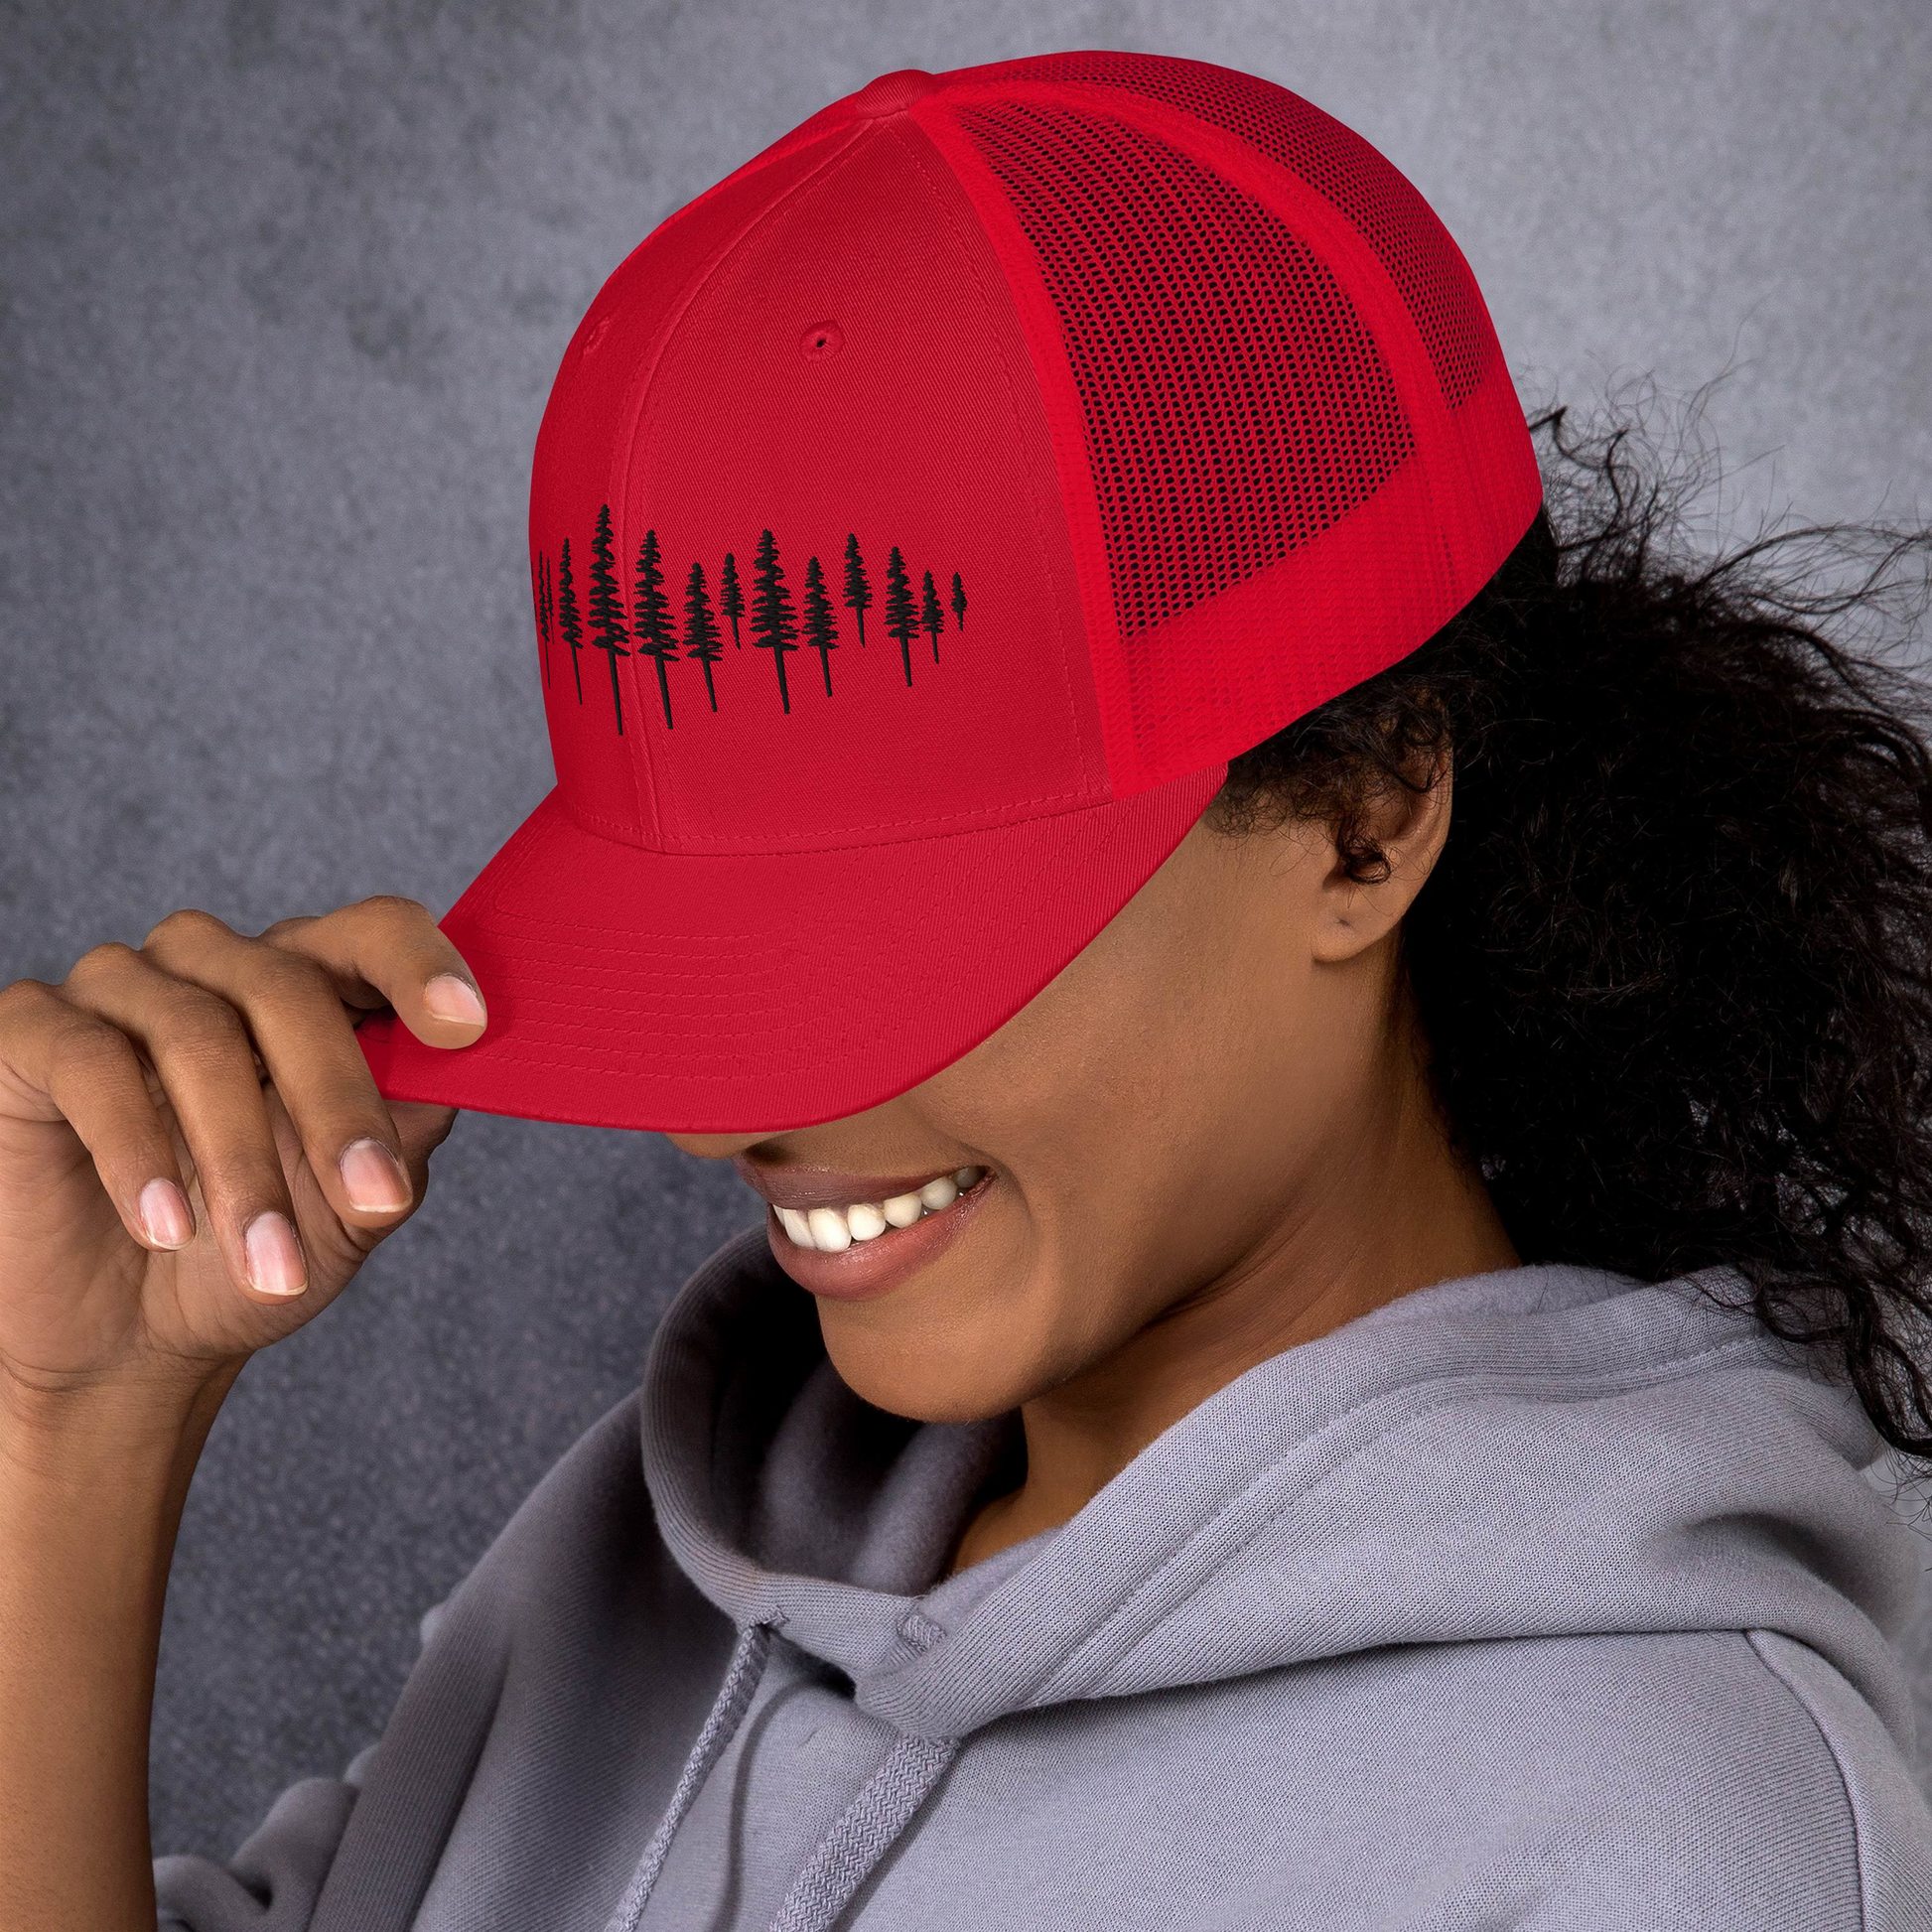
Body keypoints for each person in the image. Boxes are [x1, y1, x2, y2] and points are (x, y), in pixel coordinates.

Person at [3, 48, 1930, 1932]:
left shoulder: (1671, 1830)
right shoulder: (642, 1561)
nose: (726, 1112)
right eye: (703, 961)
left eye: (888, 946)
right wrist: (65, 1430)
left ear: (1368, 809)